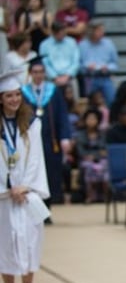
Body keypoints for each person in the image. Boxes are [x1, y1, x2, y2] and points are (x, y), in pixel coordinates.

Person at [0, 65, 50, 283]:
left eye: (17, 95)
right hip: (4, 198)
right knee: (6, 244)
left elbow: (37, 159)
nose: (14, 100)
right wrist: (8, 187)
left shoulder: (31, 124)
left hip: (27, 194)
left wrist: (25, 186)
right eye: (9, 95)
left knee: (31, 244)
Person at [21, 58, 71, 209]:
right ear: (30, 73)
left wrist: (65, 137)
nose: (38, 75)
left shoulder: (53, 91)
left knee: (50, 173)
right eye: (35, 72)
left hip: (51, 140)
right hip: (30, 141)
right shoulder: (23, 93)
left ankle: (47, 207)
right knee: (32, 172)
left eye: (41, 72)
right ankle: (33, 208)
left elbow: (62, 114)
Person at [79, 20, 118, 105]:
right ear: (92, 31)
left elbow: (115, 64)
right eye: (99, 30)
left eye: (102, 30)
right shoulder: (82, 45)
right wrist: (86, 67)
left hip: (105, 76)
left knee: (112, 100)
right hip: (89, 77)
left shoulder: (109, 44)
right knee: (88, 102)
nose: (102, 33)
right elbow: (79, 65)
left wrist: (107, 67)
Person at [74, 109, 108, 204]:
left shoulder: (102, 134)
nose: (91, 121)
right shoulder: (80, 135)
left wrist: (94, 155)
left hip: (100, 160)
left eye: (94, 119)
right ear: (85, 120)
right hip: (86, 160)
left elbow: (104, 151)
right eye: (89, 119)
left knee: (104, 165)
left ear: (98, 120)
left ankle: (105, 195)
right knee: (88, 166)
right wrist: (93, 155)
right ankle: (90, 196)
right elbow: (81, 152)